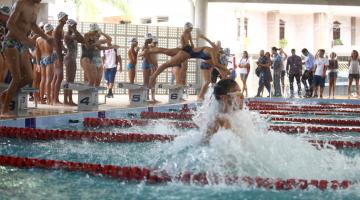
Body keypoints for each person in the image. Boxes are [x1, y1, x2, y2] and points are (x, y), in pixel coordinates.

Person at [1, 0, 53, 117]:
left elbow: (33, 25)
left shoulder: (36, 6)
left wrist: (47, 37)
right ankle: (4, 110)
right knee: (17, 77)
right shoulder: (21, 3)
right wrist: (26, 39)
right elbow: (10, 24)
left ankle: (5, 94)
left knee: (29, 77)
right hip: (11, 43)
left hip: (22, 44)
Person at [202, 79, 244, 144]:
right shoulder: (222, 120)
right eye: (238, 94)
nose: (242, 97)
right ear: (224, 98)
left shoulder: (230, 117)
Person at [64, 19, 84, 106]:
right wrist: (74, 30)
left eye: (76, 26)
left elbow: (82, 39)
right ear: (70, 26)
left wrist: (74, 30)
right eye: (74, 26)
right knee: (69, 80)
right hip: (69, 58)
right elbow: (78, 38)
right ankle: (67, 100)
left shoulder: (72, 34)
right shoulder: (67, 35)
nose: (75, 27)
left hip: (72, 58)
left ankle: (68, 100)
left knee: (71, 80)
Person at [35, 23, 57, 105]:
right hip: (49, 59)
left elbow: (37, 53)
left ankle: (41, 99)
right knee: (49, 80)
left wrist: (37, 64)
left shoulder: (38, 39)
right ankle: (49, 100)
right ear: (51, 30)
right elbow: (56, 50)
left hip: (41, 60)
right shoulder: (51, 39)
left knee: (43, 79)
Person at [51, 12, 68, 105]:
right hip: (57, 54)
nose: (67, 19)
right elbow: (55, 43)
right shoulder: (58, 28)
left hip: (57, 53)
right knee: (59, 76)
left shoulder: (61, 28)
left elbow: (60, 43)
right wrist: (60, 54)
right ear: (61, 19)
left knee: (56, 77)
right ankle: (55, 99)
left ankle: (54, 98)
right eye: (65, 17)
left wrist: (64, 49)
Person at [141, 33, 154, 101]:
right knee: (145, 82)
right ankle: (145, 96)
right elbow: (146, 57)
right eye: (151, 39)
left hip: (147, 64)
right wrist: (151, 64)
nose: (152, 40)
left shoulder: (148, 46)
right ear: (147, 39)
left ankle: (147, 96)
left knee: (148, 82)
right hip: (146, 64)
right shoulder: (144, 47)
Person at [0, 6, 10, 83]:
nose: (8, 18)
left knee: (6, 64)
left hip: (2, 50)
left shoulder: (4, 25)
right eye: (6, 16)